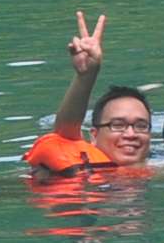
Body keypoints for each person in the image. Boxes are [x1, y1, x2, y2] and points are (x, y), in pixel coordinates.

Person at [24, 10, 154, 177]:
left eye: (141, 126)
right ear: (94, 136)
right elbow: (65, 132)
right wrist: (86, 75)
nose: (130, 134)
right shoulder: (81, 168)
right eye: (118, 125)